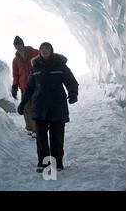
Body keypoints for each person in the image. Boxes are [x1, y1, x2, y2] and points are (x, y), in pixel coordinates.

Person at [17, 42, 79, 172]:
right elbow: (29, 87)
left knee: (57, 137)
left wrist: (73, 93)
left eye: (47, 48)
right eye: (42, 49)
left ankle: (57, 164)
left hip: (57, 106)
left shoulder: (60, 64)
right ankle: (43, 163)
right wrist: (23, 103)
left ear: (51, 50)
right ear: (39, 51)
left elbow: (71, 80)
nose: (44, 51)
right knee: (41, 138)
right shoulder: (35, 67)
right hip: (40, 106)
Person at [11, 36, 40, 137]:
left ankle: (37, 130)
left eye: (19, 44)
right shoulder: (15, 60)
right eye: (16, 45)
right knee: (26, 107)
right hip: (24, 87)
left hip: (36, 85)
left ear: (23, 44)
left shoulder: (34, 52)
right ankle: (29, 128)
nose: (18, 47)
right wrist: (14, 85)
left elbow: (46, 57)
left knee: (36, 107)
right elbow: (15, 74)